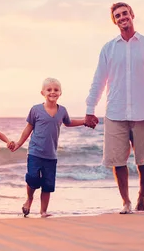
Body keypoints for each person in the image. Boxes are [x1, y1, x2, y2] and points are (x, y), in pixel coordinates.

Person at [84, 2, 144, 214]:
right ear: (114, 20)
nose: (122, 17)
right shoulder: (108, 48)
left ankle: (142, 195)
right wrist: (90, 108)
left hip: (143, 112)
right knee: (117, 160)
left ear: (132, 15)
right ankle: (126, 202)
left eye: (124, 13)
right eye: (117, 15)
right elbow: (99, 80)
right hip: (115, 112)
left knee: (143, 159)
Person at [13, 77, 92, 218]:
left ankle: (43, 211)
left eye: (56, 90)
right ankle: (29, 199)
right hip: (35, 152)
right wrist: (19, 143)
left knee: (48, 184)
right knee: (32, 178)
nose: (52, 92)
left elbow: (68, 122)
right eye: (49, 90)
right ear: (42, 92)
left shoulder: (62, 111)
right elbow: (28, 128)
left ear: (60, 93)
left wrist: (84, 122)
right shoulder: (36, 110)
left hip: (51, 155)